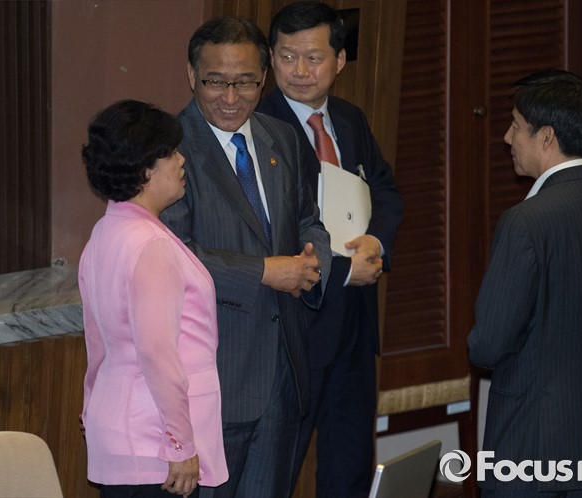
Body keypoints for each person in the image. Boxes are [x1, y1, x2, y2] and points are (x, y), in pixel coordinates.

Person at [159, 16, 332, 498]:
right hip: (214, 381)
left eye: (246, 82)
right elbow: (172, 256)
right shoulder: (168, 149)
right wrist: (265, 272)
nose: (231, 98)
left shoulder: (282, 137)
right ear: (192, 75)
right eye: (216, 82)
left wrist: (312, 264)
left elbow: (309, 220)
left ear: (264, 78)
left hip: (283, 375)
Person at [467, 69, 582, 497]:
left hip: (532, 448)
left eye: (516, 126)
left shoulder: (525, 222)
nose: (507, 138)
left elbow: (487, 345)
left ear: (546, 136)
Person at [257, 3, 403, 497]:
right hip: (295, 328)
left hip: (355, 326)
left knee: (349, 466)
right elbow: (266, 229)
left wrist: (376, 243)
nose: (300, 70)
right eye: (287, 56)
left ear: (339, 60)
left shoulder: (349, 118)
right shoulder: (257, 126)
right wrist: (341, 269)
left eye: (313, 58)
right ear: (271, 59)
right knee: (277, 469)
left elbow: (384, 189)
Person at [79, 100, 228, 498]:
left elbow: (97, 344)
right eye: (171, 153)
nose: (181, 161)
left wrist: (91, 405)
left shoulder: (104, 232)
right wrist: (180, 443)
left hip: (120, 428)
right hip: (154, 443)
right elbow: (157, 352)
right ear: (145, 168)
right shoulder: (151, 245)